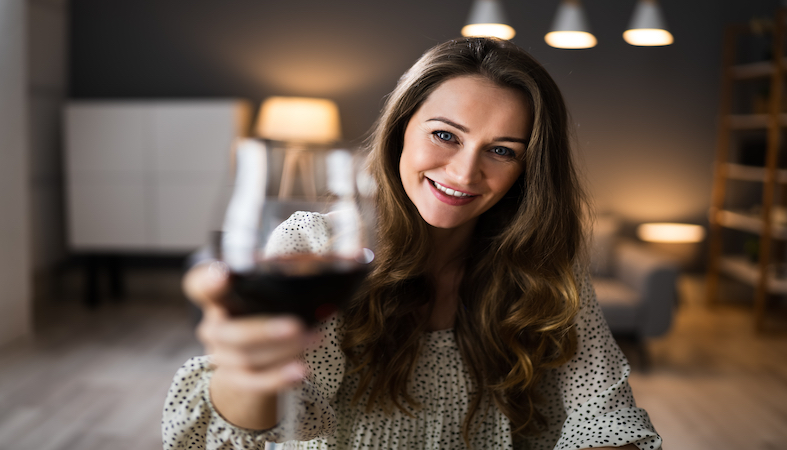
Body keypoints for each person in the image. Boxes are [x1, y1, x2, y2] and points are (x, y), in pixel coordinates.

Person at [162, 37, 662, 450]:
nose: (466, 172)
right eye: (446, 136)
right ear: (402, 128)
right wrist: (246, 374)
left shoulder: (544, 262)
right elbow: (292, 413)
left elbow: (604, 414)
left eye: (503, 151)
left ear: (526, 169)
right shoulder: (315, 245)